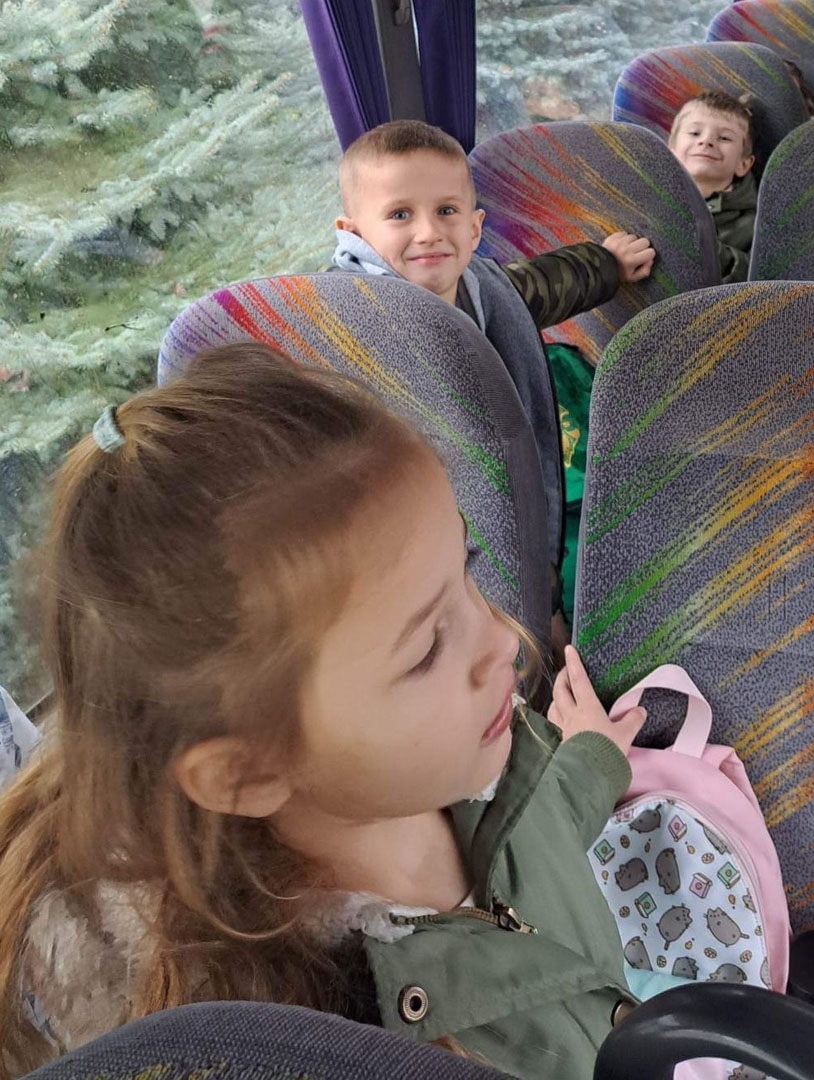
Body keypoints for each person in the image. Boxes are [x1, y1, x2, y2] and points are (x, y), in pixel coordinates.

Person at [0, 343, 650, 1080]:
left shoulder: (449, 755)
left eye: (466, 569)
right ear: (247, 773)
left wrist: (594, 756)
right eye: (426, 649)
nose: (501, 641)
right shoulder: (324, 1041)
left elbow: (536, 825)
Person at [331, 119, 656, 624]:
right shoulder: (344, 324)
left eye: (446, 211)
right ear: (353, 233)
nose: (429, 233)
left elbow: (541, 286)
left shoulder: (480, 288)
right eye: (399, 214)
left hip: (503, 501)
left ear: (475, 228)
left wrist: (606, 264)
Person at [668, 91, 758, 284]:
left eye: (724, 138)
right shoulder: (646, 202)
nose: (706, 141)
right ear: (671, 152)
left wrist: (700, 244)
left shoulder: (757, 225)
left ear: (743, 164)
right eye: (694, 133)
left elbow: (754, 281)